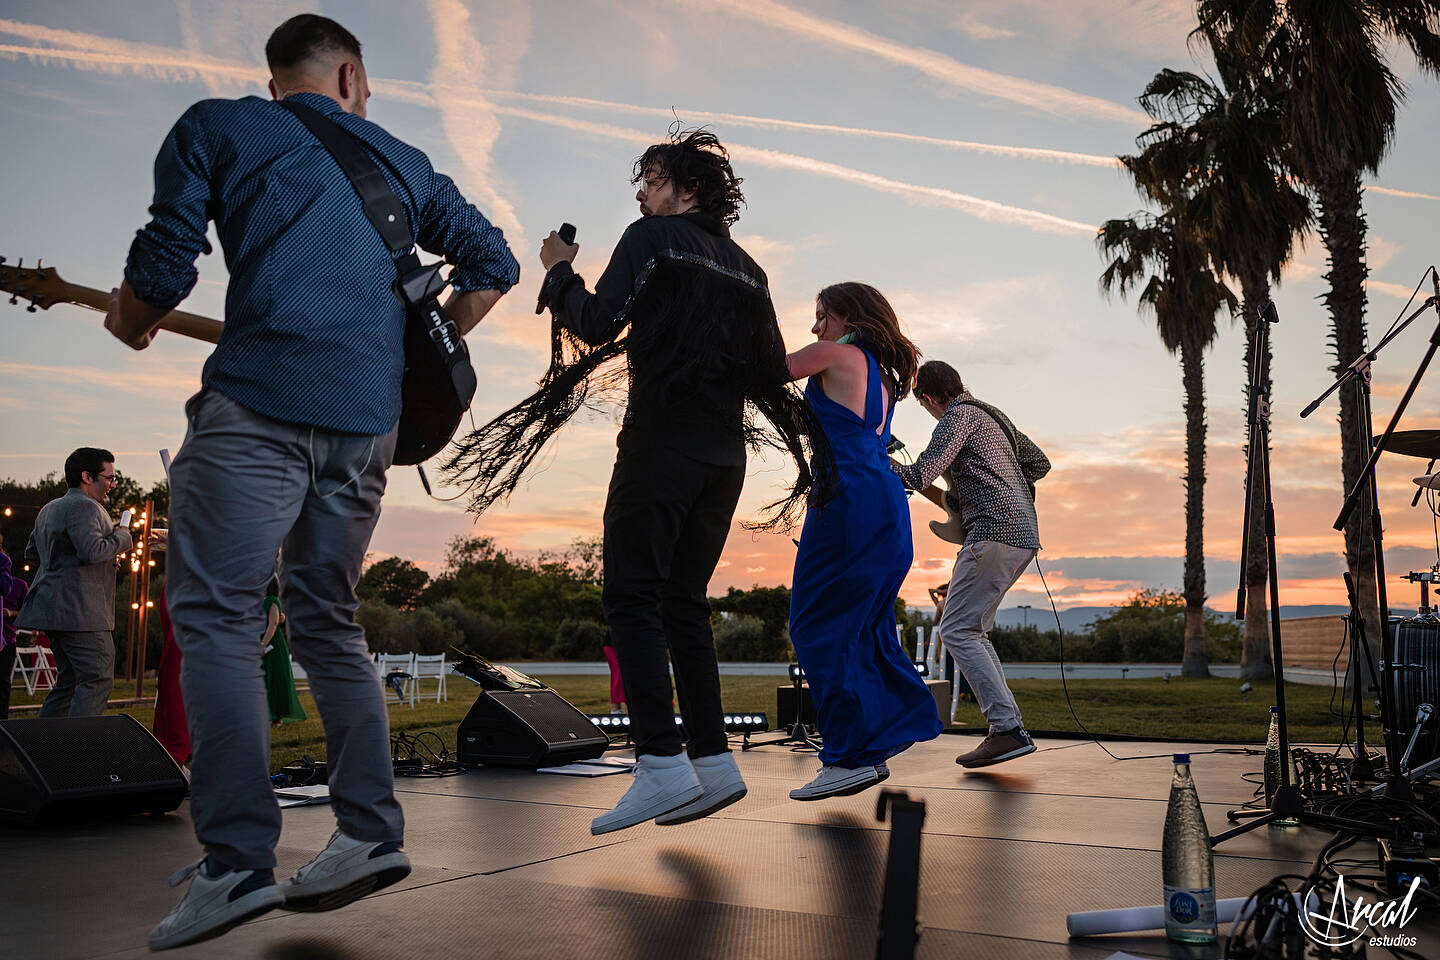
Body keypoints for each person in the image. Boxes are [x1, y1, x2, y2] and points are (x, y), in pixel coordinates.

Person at [104, 14, 519, 950]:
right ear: (350, 75)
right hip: (369, 427)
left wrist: (128, 320)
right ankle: (368, 833)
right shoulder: (406, 161)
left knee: (218, 618)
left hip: (261, 402)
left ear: (276, 78)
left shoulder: (217, 125)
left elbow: (164, 269)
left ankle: (236, 863)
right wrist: (414, 342)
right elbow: (494, 262)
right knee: (327, 619)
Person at [448, 127, 829, 835]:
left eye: (652, 182)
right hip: (724, 460)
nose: (642, 195)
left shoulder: (651, 238)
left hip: (661, 444)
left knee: (631, 597)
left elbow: (597, 322)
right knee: (684, 604)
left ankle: (660, 763)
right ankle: (712, 761)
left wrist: (559, 272)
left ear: (687, 189)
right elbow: (768, 371)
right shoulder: (751, 271)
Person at [785, 283, 942, 799]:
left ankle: (849, 755)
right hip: (883, 501)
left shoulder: (831, 355)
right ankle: (867, 749)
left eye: (822, 315)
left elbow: (762, 369)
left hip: (847, 501)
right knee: (863, 627)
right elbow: (825, 426)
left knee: (816, 626)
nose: (815, 327)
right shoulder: (882, 378)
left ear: (848, 316)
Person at [892, 360, 1050, 768]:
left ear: (928, 398)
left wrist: (878, 459)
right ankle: (1008, 728)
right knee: (972, 631)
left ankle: (1007, 729)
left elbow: (918, 475)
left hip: (993, 533)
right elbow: (1039, 464)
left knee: (956, 629)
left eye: (924, 406)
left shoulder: (955, 418)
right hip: (1022, 534)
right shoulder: (993, 415)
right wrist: (995, 485)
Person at [15, 448, 132, 718]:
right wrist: (122, 537)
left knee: (68, 682)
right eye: (110, 478)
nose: (113, 485)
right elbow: (91, 551)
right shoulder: (86, 507)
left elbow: (33, 554)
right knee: (97, 678)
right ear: (87, 476)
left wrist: (95, 561)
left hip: (51, 610)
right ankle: (78, 743)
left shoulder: (49, 509)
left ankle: (46, 743)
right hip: (81, 612)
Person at [261, 579, 306, 725]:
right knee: (264, 678)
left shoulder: (272, 600)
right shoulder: (261, 601)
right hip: (263, 642)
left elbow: (273, 623)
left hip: (272, 644)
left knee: (276, 677)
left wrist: (263, 644)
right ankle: (265, 714)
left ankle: (277, 716)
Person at [1, 530, 30, 719]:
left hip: (7, 638)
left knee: (3, 682)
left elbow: (28, 611)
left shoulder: (19, 586)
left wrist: (11, 613)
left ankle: (3, 722)